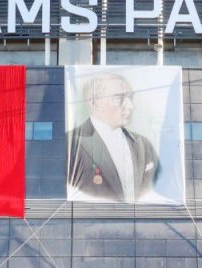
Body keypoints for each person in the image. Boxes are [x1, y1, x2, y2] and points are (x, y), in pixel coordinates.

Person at [67, 72, 159, 203]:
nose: (131, 107)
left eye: (130, 98)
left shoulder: (143, 144)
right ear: (94, 102)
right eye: (118, 99)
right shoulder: (71, 143)